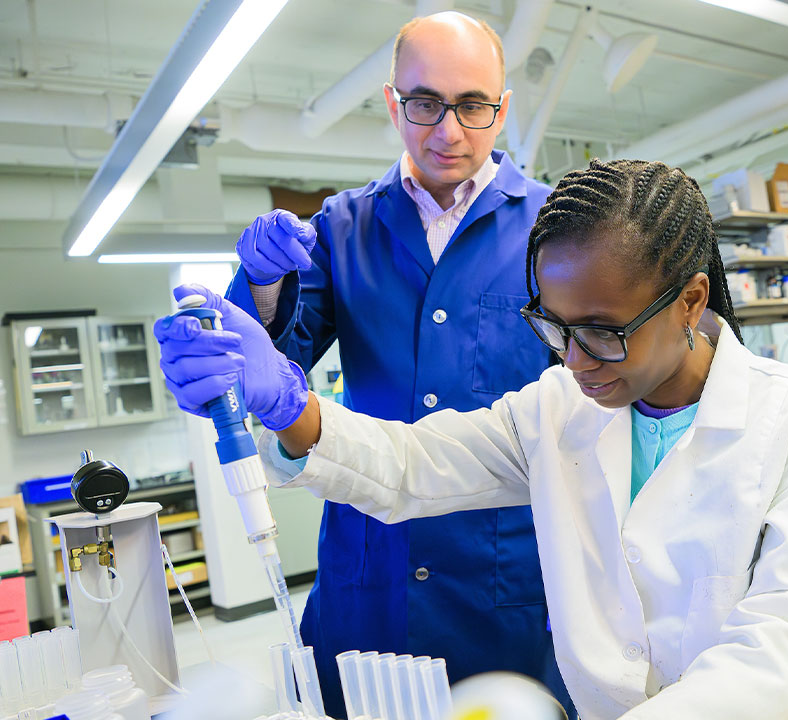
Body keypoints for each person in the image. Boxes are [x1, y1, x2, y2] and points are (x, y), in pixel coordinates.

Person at [158, 159, 788, 719]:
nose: (573, 361)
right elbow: (415, 465)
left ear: (692, 300)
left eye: (603, 333)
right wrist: (289, 405)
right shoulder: (557, 409)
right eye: (554, 327)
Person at [221, 11, 563, 716]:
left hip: (507, 574)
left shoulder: (555, 230)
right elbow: (272, 366)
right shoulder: (342, 228)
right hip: (371, 559)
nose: (448, 130)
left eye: (472, 106)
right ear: (392, 102)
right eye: (425, 103)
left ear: (503, 108)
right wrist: (261, 286)